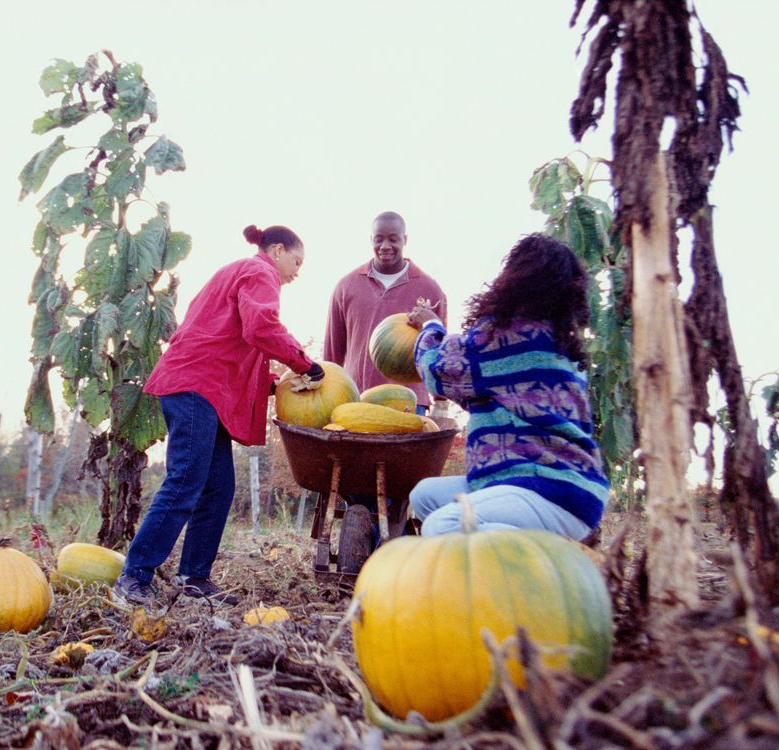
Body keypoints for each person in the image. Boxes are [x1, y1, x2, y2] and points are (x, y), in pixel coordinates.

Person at [112, 224, 325, 608]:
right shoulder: (261, 272)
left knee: (218, 486)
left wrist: (271, 382)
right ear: (277, 251)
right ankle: (134, 575)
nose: (297, 272)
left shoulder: (237, 272)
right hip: (197, 386)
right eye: (297, 261)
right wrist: (304, 363)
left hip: (204, 387)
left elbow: (228, 338)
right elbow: (262, 327)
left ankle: (194, 577)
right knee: (185, 481)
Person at [406, 233, 609, 540]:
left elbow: (434, 369)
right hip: (555, 485)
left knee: (443, 525)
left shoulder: (506, 336)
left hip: (547, 487)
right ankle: (527, 552)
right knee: (425, 495)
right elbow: (503, 397)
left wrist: (431, 325)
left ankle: (541, 572)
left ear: (515, 279)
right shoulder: (559, 344)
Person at [324, 211, 447, 415]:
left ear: (405, 239)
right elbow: (333, 350)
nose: (385, 246)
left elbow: (439, 346)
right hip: (357, 397)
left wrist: (441, 402)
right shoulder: (346, 286)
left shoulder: (430, 289)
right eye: (379, 239)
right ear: (371, 239)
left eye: (393, 239)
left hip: (410, 402)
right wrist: (327, 394)